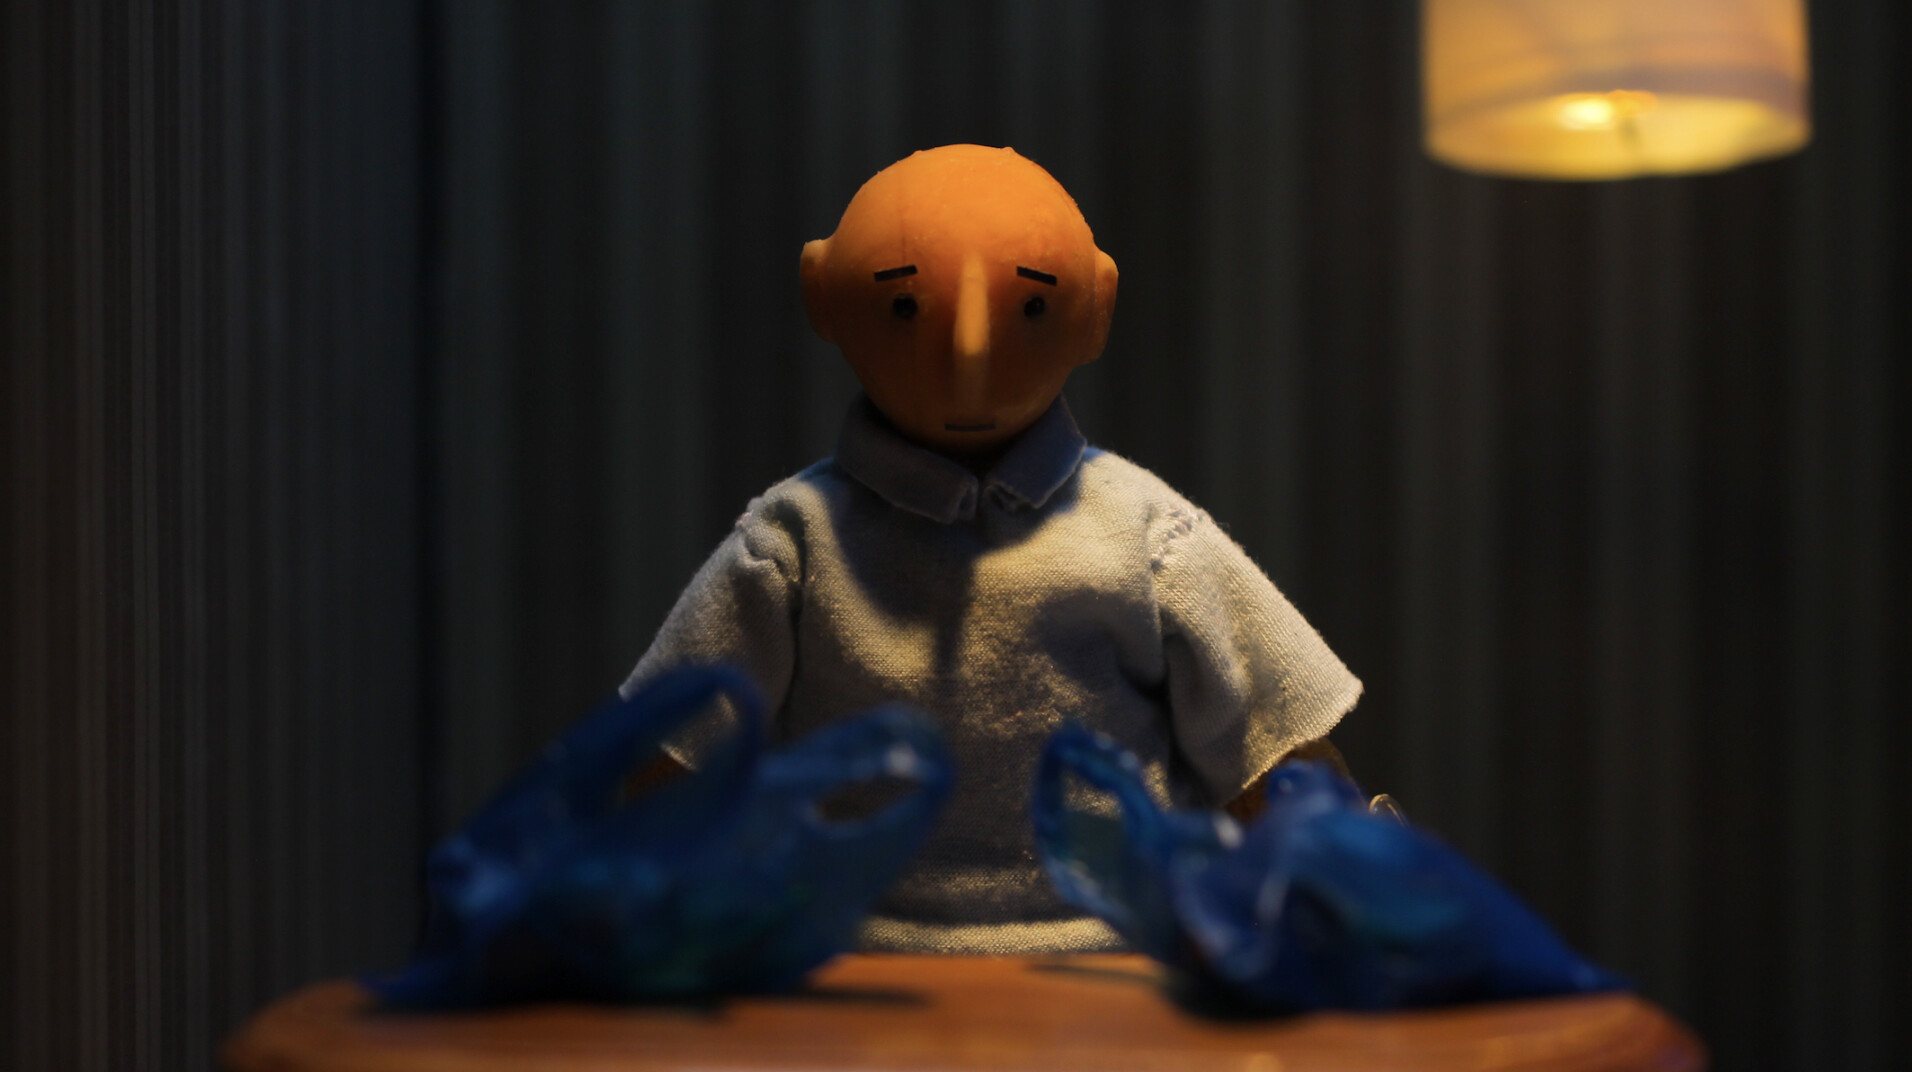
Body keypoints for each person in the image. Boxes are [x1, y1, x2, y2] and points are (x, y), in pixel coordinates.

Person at [622, 144, 1361, 953]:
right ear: (821, 294)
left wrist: (1350, 887)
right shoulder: (797, 541)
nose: (967, 356)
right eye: (904, 306)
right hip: (849, 960)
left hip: (1115, 955)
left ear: (1096, 308)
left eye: (1032, 307)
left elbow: (1270, 742)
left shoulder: (1144, 531)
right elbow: (675, 747)